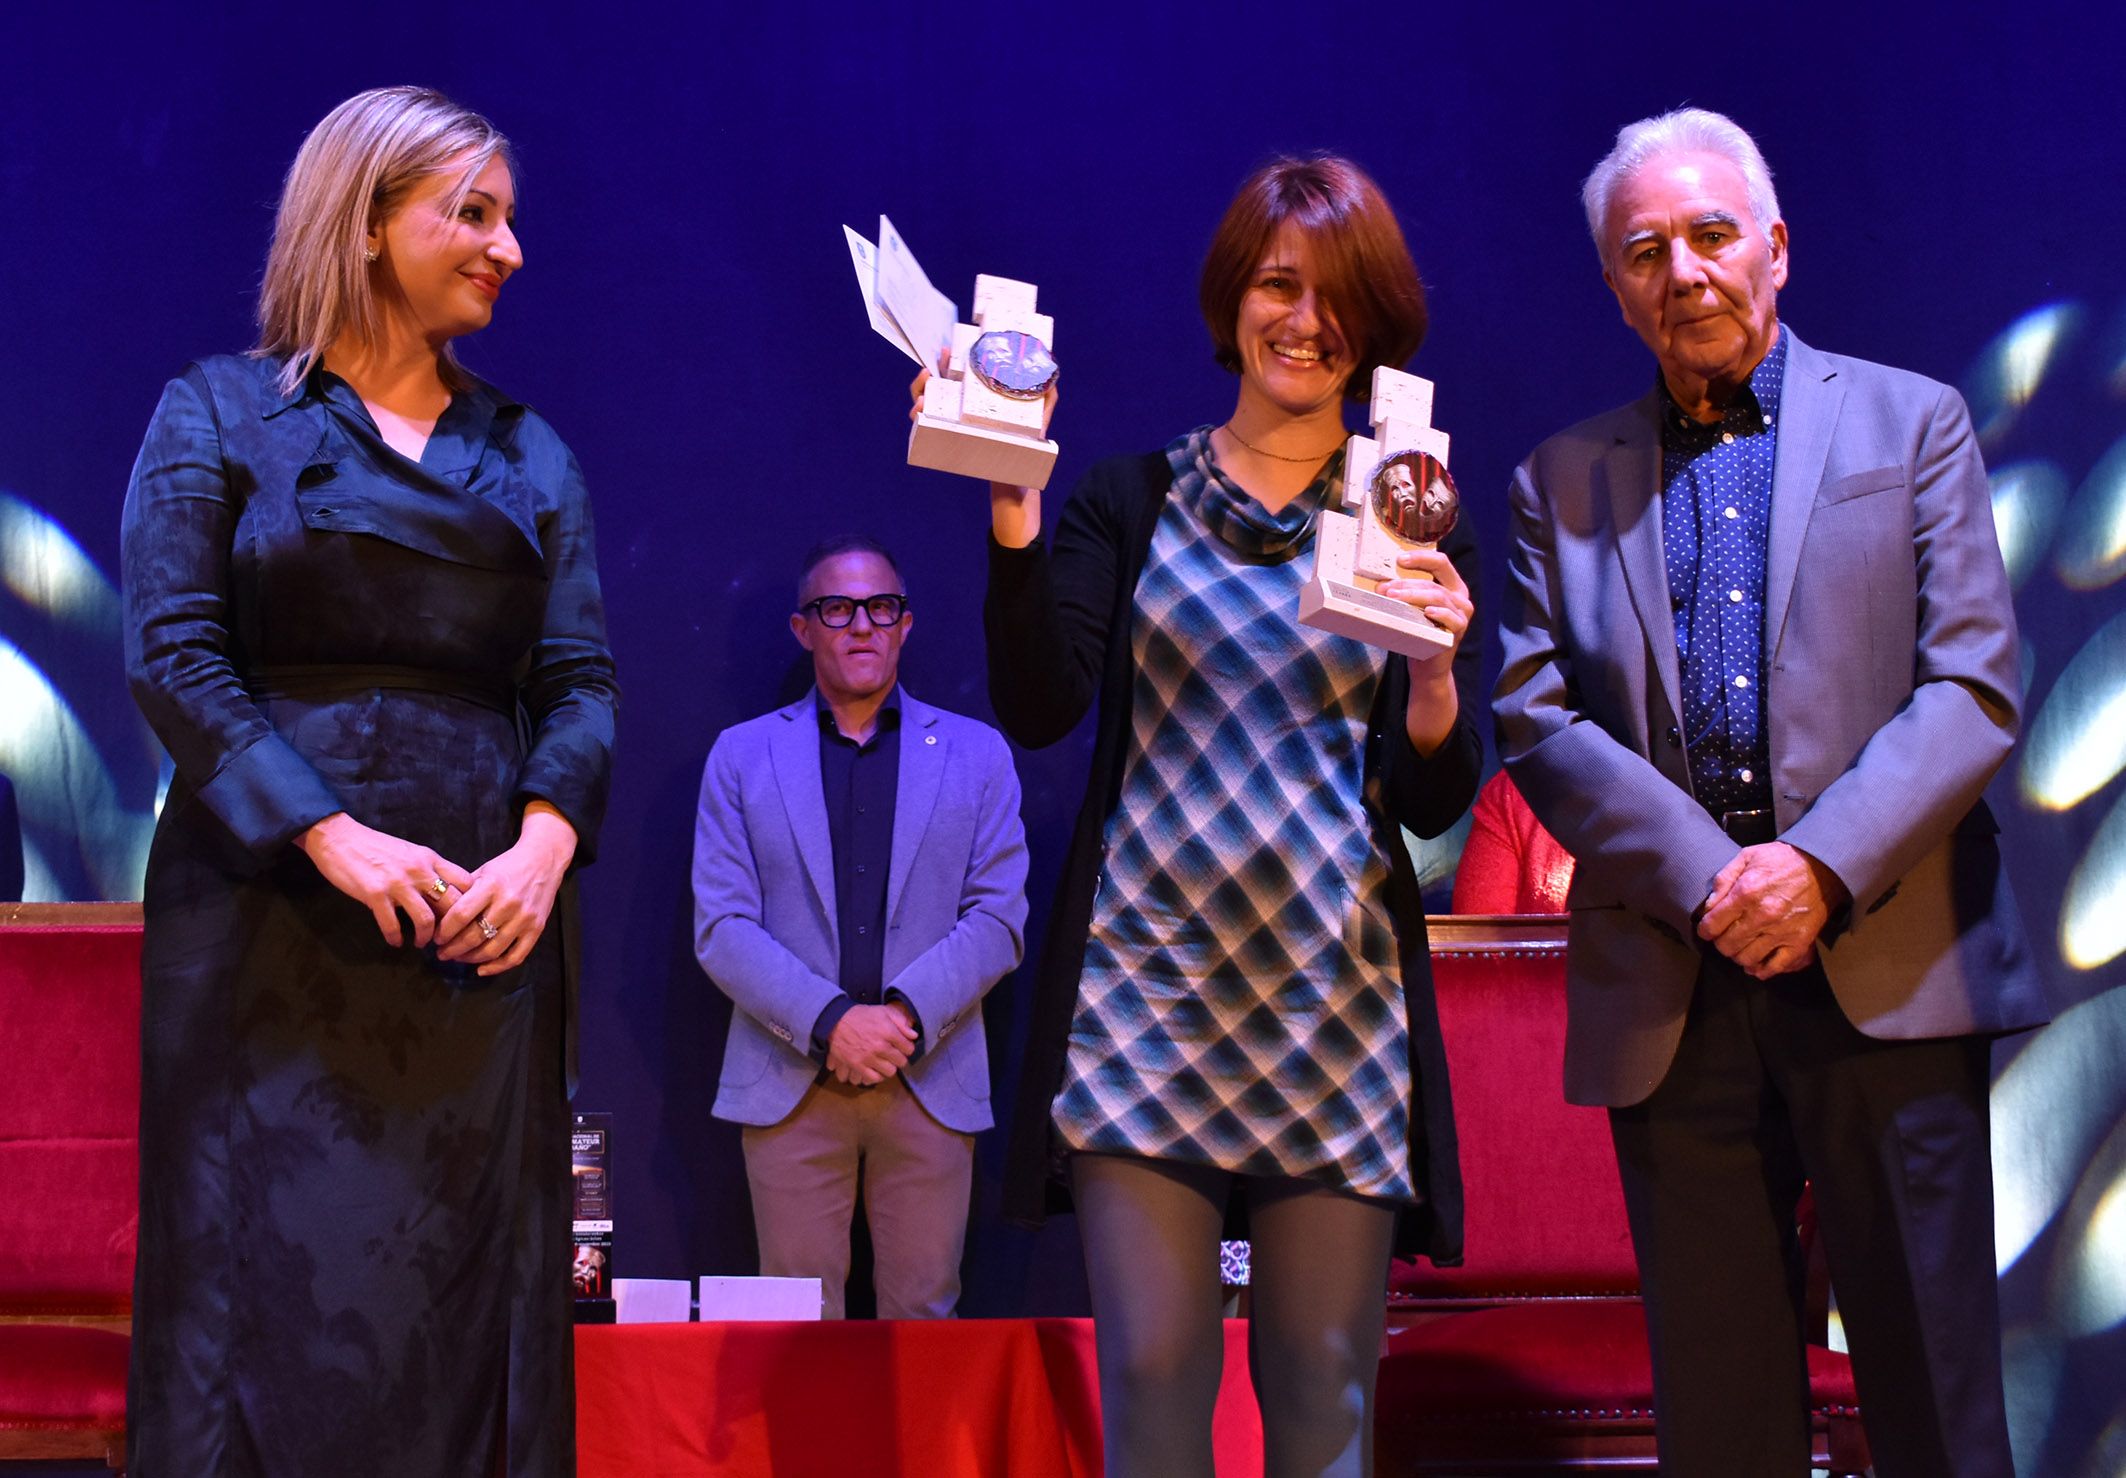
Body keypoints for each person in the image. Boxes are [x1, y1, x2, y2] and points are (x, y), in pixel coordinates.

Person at [1492, 107, 2048, 1476]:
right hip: (1678, 993)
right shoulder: (1552, 482)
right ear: (1615, 286)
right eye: (1642, 250)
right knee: (1722, 1416)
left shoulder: (1912, 421)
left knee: (1930, 1390)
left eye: (1708, 233)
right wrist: (1713, 883)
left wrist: (1814, 869)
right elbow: (1532, 714)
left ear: (1776, 249)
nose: (1679, 269)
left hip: (1888, 961)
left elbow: (1970, 683)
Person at [932, 155, 1481, 1476]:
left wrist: (1433, 670)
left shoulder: (1393, 508)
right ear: (1232, 298)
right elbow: (1040, 703)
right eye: (1277, 284)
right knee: (1157, 1384)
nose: (1303, 318)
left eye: (1336, 294)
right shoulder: (1132, 500)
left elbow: (1428, 798)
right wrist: (1014, 509)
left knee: (1319, 1400)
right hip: (1145, 1002)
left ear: (1377, 322)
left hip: (1331, 1010)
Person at [120, 86, 618, 1477]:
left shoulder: (530, 453)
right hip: (268, 927)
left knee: (467, 1303)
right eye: (471, 212)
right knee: (257, 1294)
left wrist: (541, 850)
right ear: (363, 220)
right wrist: (330, 834)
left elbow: (578, 683)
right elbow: (172, 652)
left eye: (508, 217)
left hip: (480, 937)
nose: (508, 247)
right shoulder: (218, 413)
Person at [693, 537, 1027, 1320]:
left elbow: (999, 917)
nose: (862, 625)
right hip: (790, 1078)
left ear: (905, 624)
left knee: (923, 1324)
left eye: (882, 607)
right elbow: (722, 925)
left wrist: (902, 1019)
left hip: (930, 1074)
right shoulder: (741, 757)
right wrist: (832, 1023)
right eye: (837, 609)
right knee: (793, 1330)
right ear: (803, 628)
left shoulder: (978, 756)